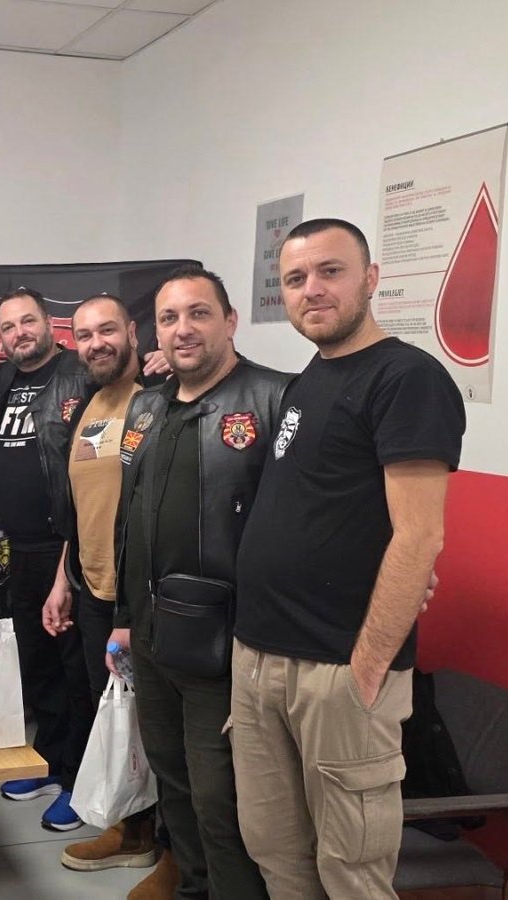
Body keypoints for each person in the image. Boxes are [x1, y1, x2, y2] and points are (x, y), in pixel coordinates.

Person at [231, 218, 465, 898]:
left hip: (337, 670)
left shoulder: (407, 378)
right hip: (260, 660)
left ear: (371, 279)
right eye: (295, 279)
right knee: (276, 853)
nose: (312, 289)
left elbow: (419, 537)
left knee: (351, 872)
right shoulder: (311, 378)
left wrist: (366, 670)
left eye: (330, 271)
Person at [102, 268, 284, 899]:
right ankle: (191, 889)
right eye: (169, 318)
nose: (183, 329)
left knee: (220, 799)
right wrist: (124, 618)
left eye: (199, 313)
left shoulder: (275, 399)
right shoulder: (147, 407)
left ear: (230, 321)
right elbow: (130, 518)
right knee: (172, 780)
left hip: (227, 645)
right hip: (153, 639)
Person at [36, 293, 168, 883]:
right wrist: (62, 579)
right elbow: (82, 507)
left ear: (133, 332)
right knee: (106, 712)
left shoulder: (157, 398)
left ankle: (160, 844)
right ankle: (128, 827)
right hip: (92, 588)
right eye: (85, 335)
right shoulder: (89, 406)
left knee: (151, 722)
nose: (96, 344)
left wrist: (129, 609)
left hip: (139, 595)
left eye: (107, 330)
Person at [0, 288, 94, 831]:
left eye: (28, 321)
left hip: (64, 546)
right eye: (8, 327)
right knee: (37, 662)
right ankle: (49, 760)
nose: (19, 333)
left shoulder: (80, 375)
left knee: (75, 668)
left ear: (50, 323)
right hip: (19, 547)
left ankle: (78, 780)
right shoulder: (6, 378)